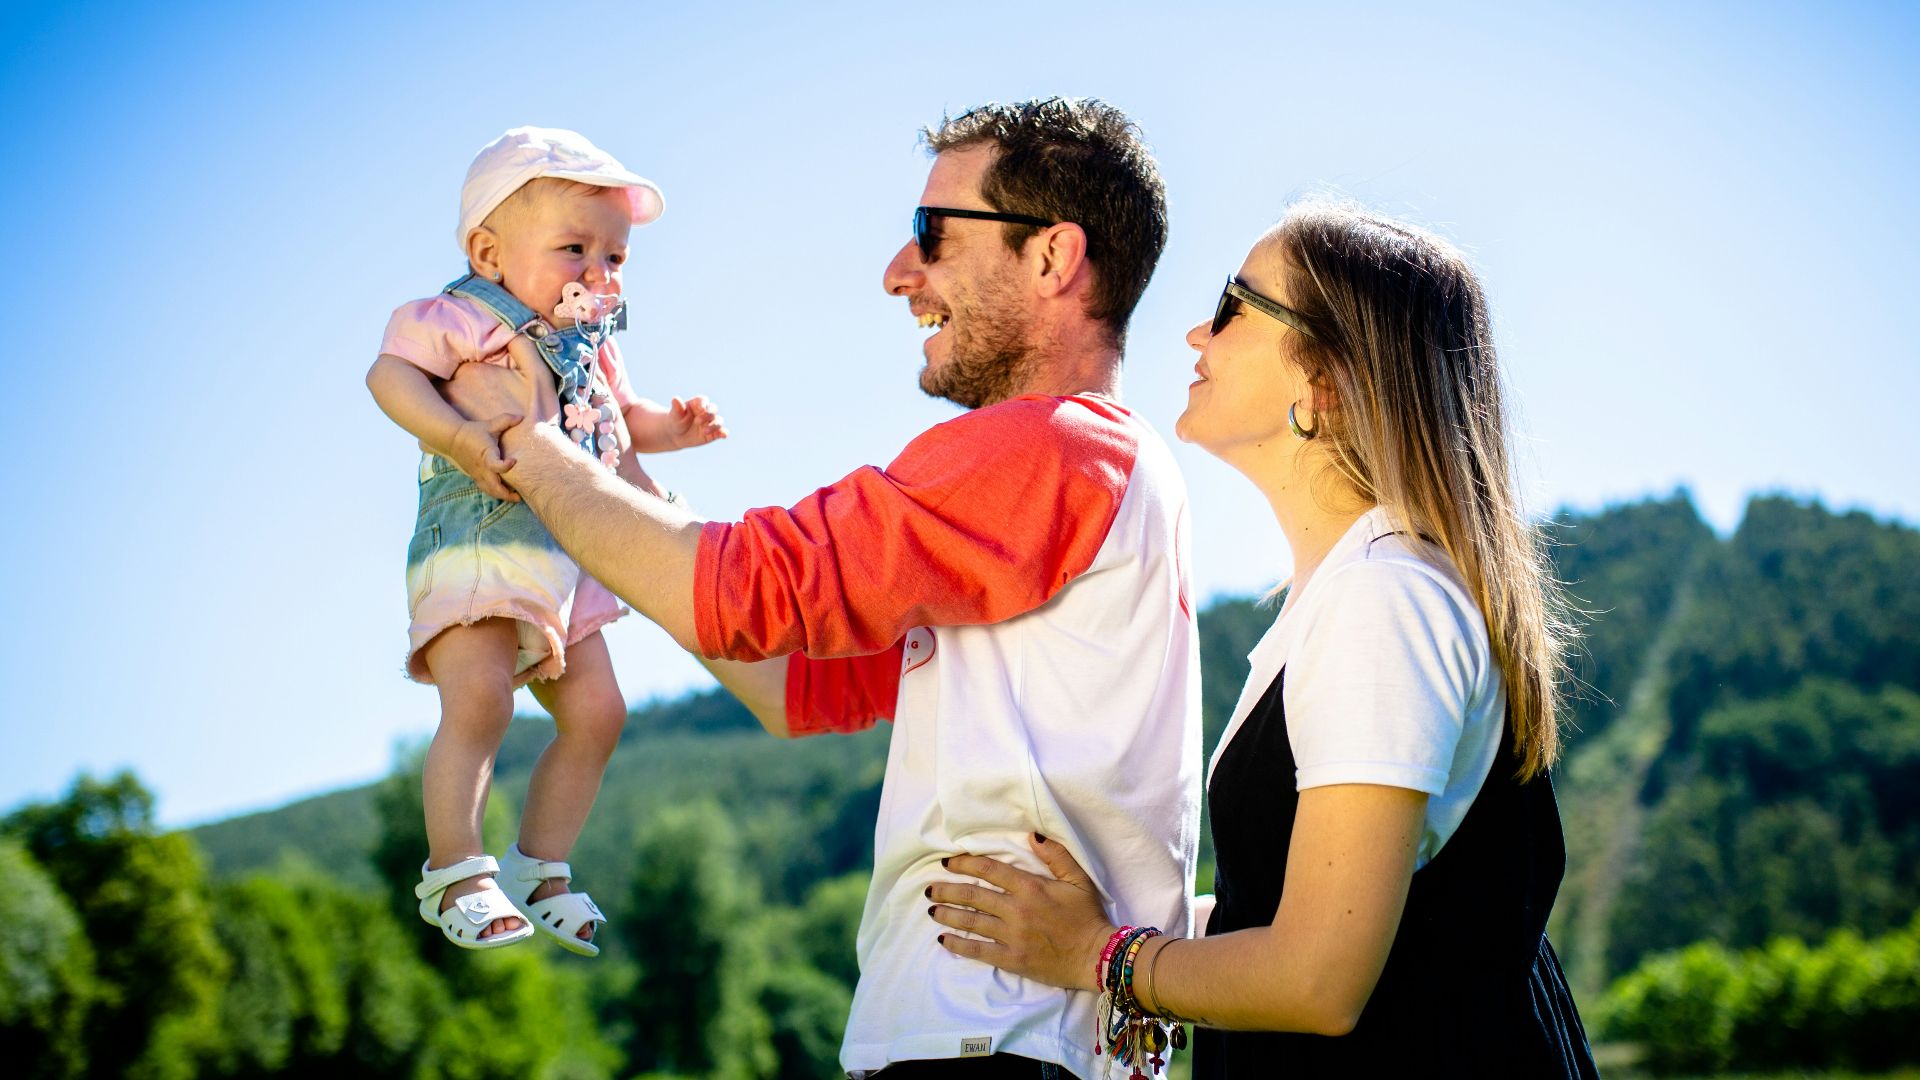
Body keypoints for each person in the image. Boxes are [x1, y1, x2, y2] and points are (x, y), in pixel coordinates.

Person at [447, 98, 1200, 1079]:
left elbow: (745, 591)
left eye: (933, 233)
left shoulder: (1058, 446)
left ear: (1054, 258)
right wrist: (610, 467)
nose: (898, 272)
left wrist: (522, 441)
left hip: (993, 1043)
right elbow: (788, 681)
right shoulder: (1069, 490)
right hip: (998, 1042)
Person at [925, 202, 1600, 1077]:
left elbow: (1319, 978)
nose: (1199, 332)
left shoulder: (1383, 601)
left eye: (1236, 304)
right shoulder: (1345, 598)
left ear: (1325, 380)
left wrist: (1102, 957)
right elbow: (1308, 917)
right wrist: (1125, 932)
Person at [364, 127, 727, 955]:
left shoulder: (595, 346)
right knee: (482, 700)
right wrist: (456, 436)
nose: (600, 272)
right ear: (489, 252)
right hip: (480, 536)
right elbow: (391, 375)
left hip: (568, 558)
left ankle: (542, 864)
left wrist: (674, 426)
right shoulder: (458, 316)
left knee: (600, 712)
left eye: (617, 256)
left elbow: (618, 424)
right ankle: (457, 870)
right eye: (575, 248)